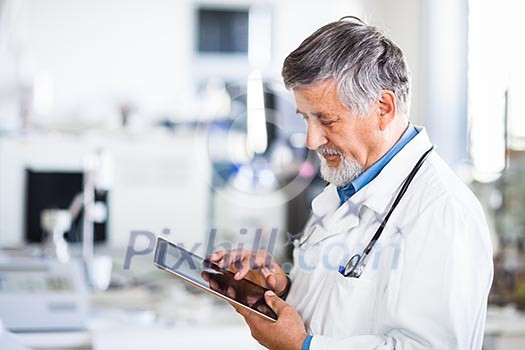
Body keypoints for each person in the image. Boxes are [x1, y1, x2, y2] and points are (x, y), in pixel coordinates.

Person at [209, 16, 493, 349]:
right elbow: (338, 308)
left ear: (383, 108)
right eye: (305, 119)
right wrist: (283, 289)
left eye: (326, 120)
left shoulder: (443, 211)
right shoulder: (346, 186)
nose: (312, 140)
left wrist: (304, 347)